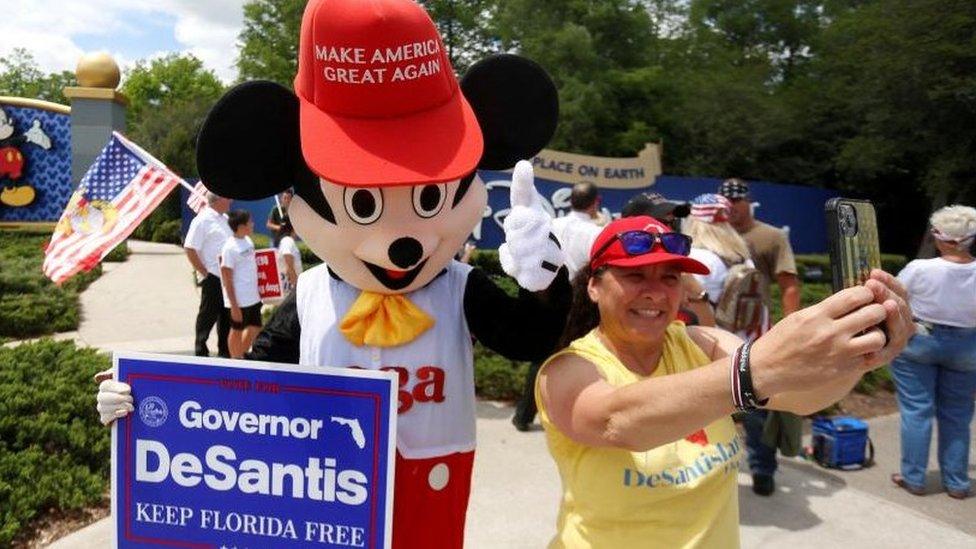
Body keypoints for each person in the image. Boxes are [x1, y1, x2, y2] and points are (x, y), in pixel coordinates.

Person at [535, 215, 914, 548]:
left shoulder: (702, 343)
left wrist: (864, 354)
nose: (654, 291)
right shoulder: (567, 369)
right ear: (593, 287)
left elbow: (801, 398)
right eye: (634, 274)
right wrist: (758, 367)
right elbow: (615, 421)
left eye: (670, 277)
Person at [719, 178, 801, 495]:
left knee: (756, 407)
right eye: (726, 204)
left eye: (736, 203)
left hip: (755, 336)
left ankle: (763, 468)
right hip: (716, 331)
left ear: (747, 202)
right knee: (711, 404)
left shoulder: (770, 237)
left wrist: (790, 331)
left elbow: (789, 284)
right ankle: (716, 464)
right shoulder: (715, 233)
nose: (731, 209)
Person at [890, 205, 976, 500]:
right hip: (966, 345)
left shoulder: (919, 268)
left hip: (920, 340)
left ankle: (913, 477)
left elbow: (895, 299)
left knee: (917, 410)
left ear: (940, 238)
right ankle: (957, 482)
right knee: (957, 415)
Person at [512, 181, 603, 432]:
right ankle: (569, 415)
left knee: (542, 355)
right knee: (580, 358)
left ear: (570, 200)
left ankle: (523, 415)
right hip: (582, 301)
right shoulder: (595, 233)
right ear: (596, 202)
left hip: (549, 295)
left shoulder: (553, 225)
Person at [621, 191, 712, 326]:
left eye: (673, 222)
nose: (668, 229)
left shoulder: (680, 270)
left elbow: (707, 331)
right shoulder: (617, 270)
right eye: (661, 222)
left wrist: (696, 292)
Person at [183, 191, 233, 358]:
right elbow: (190, 247)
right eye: (228, 197)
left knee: (226, 317)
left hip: (227, 278)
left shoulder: (225, 220)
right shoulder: (202, 220)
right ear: (218, 199)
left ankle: (224, 352)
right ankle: (201, 350)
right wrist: (203, 271)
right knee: (207, 315)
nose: (231, 200)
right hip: (212, 276)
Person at [220, 210, 263, 358]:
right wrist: (234, 305)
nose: (252, 224)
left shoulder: (248, 241)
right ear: (240, 226)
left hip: (253, 297)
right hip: (239, 299)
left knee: (256, 327)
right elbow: (227, 278)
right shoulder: (229, 248)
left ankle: (240, 355)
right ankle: (234, 360)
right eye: (249, 222)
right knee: (237, 329)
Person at [276, 219, 303, 292]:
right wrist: (296, 286)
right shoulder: (287, 240)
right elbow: (288, 261)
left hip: (289, 285)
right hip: (290, 287)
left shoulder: (286, 240)